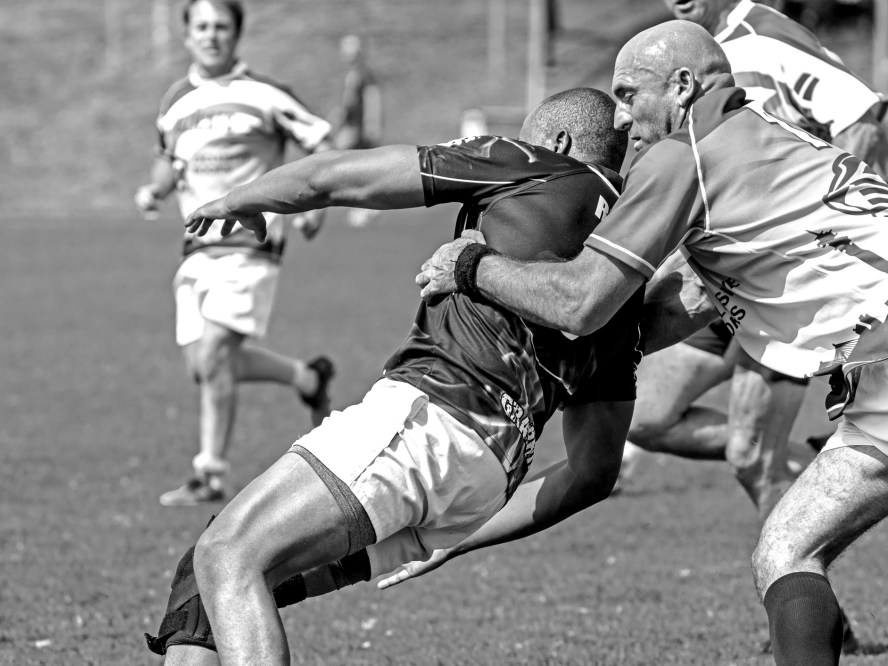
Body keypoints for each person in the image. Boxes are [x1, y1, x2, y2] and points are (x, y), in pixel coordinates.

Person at [416, 20, 888, 665]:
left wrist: (471, 268)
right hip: (875, 373)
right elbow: (688, 298)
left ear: (684, 86)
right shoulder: (770, 134)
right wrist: (586, 359)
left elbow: (583, 301)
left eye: (629, 92)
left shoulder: (683, 153)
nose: (618, 115)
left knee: (788, 552)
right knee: (788, 549)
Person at [143, 88, 643, 664]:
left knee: (229, 554)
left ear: (556, 141)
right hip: (484, 482)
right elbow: (593, 473)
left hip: (433, 417)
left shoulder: (534, 163)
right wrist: (460, 540)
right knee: (204, 587)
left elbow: (333, 178)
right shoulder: (617, 273)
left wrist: (245, 197)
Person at [618, 0, 888, 521]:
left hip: (793, 276)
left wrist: (839, 228)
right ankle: (843, 465)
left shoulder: (761, 36)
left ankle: (815, 522)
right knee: (646, 418)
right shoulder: (682, 55)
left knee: (751, 457)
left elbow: (862, 116)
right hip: (713, 271)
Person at [133, 0, 337, 506]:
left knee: (215, 354)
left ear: (236, 34)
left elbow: (323, 141)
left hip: (252, 241)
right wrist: (154, 191)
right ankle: (307, 377)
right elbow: (168, 161)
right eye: (201, 26)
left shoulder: (265, 94)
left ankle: (211, 474)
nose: (211, 35)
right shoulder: (175, 100)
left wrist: (317, 204)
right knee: (203, 367)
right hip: (196, 247)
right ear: (187, 36)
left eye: (221, 26)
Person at [329, 34, 384, 227]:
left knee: (350, 165)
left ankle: (364, 207)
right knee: (350, 165)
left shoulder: (362, 74)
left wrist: (371, 124)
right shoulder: (353, 75)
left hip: (357, 128)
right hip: (351, 127)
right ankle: (362, 207)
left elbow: (371, 100)